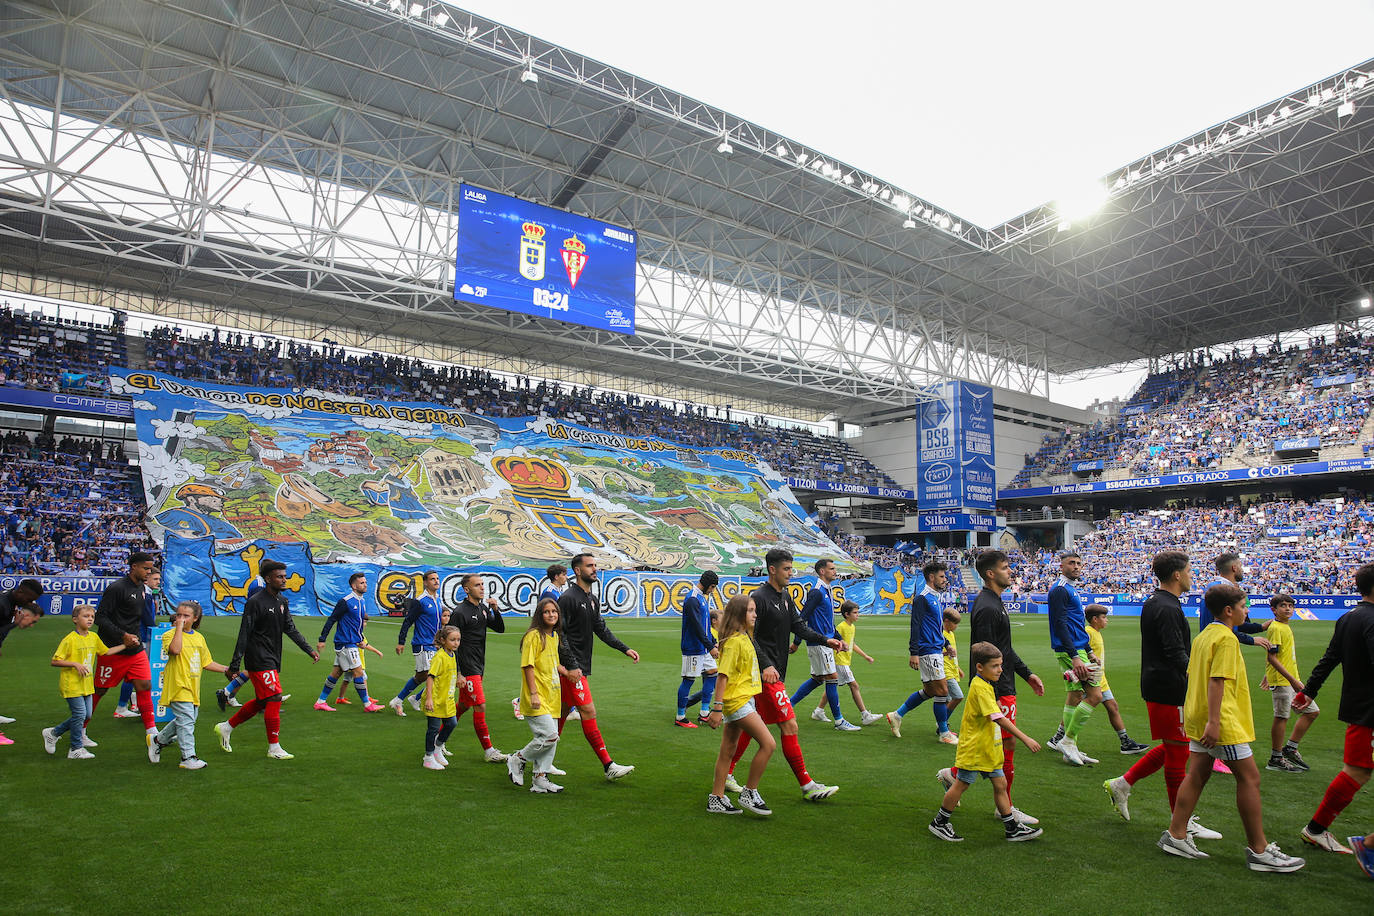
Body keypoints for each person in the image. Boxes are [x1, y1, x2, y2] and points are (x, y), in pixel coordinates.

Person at [1157, 583, 1305, 872]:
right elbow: (1217, 680)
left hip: (1199, 716)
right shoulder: (1225, 638)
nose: (1246, 611)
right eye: (1243, 606)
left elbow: (1195, 676)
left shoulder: (1204, 635)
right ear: (1229, 610)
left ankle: (1175, 834)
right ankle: (1260, 851)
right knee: (1250, 779)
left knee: (1197, 774)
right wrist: (1215, 722)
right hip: (1221, 720)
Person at [1103, 550, 1221, 842]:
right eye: (1190, 571)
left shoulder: (1159, 602)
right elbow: (1175, 653)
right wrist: (1200, 680)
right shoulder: (1167, 607)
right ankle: (1181, 822)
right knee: (1178, 753)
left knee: (1174, 747)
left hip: (1162, 685)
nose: (1193, 576)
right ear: (1177, 575)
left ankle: (1123, 783)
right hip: (1168, 688)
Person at [724, 547, 843, 801]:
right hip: (766, 675)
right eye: (787, 569)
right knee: (789, 724)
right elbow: (748, 636)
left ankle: (727, 774)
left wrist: (826, 640)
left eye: (792, 568)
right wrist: (766, 664)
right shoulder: (760, 597)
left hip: (774, 671)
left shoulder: (785, 596)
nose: (791, 573)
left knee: (749, 724)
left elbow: (798, 626)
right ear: (772, 570)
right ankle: (807, 785)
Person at [937, 550, 1044, 826]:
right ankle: (1004, 807)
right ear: (990, 573)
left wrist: (1027, 673)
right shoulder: (987, 607)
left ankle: (955, 774)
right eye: (1006, 568)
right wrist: (992, 693)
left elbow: (1004, 650)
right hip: (998, 687)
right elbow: (985, 655)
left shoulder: (994, 602)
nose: (1011, 572)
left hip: (1005, 681)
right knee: (1006, 742)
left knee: (996, 744)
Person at [1292, 562, 1374, 855]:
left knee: (1358, 770)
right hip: (1370, 709)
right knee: (1356, 771)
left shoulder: (1349, 617)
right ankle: (1325, 833)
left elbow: (1330, 658)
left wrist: (1308, 691)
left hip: (1358, 705)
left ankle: (1317, 830)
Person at [928, 641, 1043, 843]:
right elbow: (997, 717)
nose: (1000, 670)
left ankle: (1011, 828)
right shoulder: (979, 687)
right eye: (995, 666)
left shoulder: (986, 684)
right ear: (980, 667)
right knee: (961, 784)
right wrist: (1025, 738)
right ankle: (939, 822)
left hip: (988, 748)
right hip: (975, 748)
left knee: (1000, 783)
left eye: (1001, 665)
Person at [215, 559, 319, 759]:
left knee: (263, 701)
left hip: (272, 657)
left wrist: (309, 650)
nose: (284, 580)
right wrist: (235, 664)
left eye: (284, 576)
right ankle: (274, 748)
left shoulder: (282, 601)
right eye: (279, 577)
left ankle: (226, 727)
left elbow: (290, 628)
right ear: (268, 578)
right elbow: (244, 632)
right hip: (258, 658)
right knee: (274, 698)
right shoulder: (255, 602)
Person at [557, 553, 638, 781]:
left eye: (595, 565)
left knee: (561, 714)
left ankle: (531, 760)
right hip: (571, 668)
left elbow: (601, 629)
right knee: (588, 711)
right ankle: (608, 765)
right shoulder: (568, 598)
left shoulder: (591, 598)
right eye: (590, 566)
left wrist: (625, 649)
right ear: (577, 570)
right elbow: (559, 636)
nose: (594, 569)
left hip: (578, 666)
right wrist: (571, 666)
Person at [706, 594, 774, 816]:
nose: (755, 614)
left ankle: (716, 798)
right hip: (737, 701)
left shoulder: (744, 637)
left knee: (728, 750)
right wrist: (716, 709)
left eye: (755, 610)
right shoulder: (735, 642)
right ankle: (750, 792)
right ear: (739, 614)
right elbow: (722, 677)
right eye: (751, 611)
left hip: (744, 698)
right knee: (769, 744)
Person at [148, 600, 229, 770]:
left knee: (185, 720)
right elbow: (175, 650)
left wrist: (227, 670)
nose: (181, 619)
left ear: (195, 618)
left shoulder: (199, 638)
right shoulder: (170, 635)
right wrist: (178, 628)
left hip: (193, 686)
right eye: (179, 615)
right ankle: (188, 757)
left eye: (186, 616)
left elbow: (206, 662)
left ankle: (157, 740)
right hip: (177, 684)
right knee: (186, 722)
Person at [90, 552, 159, 746]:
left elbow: (138, 618)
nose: (148, 571)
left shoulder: (142, 589)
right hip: (114, 650)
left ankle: (152, 733)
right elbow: (100, 618)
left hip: (135, 650)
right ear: (134, 567)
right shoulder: (117, 588)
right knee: (100, 691)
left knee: (145, 685)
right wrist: (123, 636)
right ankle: (80, 729)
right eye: (146, 568)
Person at [1044, 551, 1103, 766]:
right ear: (1061, 566)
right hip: (1070, 651)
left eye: (1079, 563)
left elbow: (1076, 624)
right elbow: (1060, 623)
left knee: (1075, 695)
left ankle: (1070, 746)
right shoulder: (1060, 590)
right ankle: (1067, 741)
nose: (1076, 566)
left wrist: (1088, 651)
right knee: (1095, 696)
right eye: (1071, 563)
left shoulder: (1070, 588)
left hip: (1078, 649)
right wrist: (1075, 656)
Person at [888, 561, 956, 742]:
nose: (945, 579)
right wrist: (914, 652)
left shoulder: (934, 597)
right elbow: (915, 625)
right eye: (942, 576)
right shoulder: (922, 598)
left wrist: (947, 643)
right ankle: (944, 733)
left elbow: (936, 626)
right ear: (931, 577)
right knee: (942, 691)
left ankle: (897, 715)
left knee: (929, 691)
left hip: (935, 647)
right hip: (928, 651)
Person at [789, 559, 859, 731]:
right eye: (832, 568)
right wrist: (797, 642)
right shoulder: (817, 592)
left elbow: (828, 622)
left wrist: (839, 638)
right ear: (822, 571)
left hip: (825, 641)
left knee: (817, 679)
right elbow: (802, 618)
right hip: (819, 643)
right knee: (832, 678)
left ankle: (786, 708)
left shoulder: (826, 591)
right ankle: (839, 721)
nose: (835, 571)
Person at [41, 604, 118, 759]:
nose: (90, 619)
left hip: (87, 685)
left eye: (92, 617)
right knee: (80, 714)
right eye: (85, 616)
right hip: (72, 684)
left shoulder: (94, 637)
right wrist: (75, 664)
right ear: (75, 619)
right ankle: (75, 748)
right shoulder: (69, 640)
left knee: (86, 715)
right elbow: (55, 661)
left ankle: (53, 733)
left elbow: (106, 651)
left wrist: (126, 645)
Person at [507, 598, 567, 793]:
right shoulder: (534, 635)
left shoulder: (554, 636)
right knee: (550, 736)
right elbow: (528, 665)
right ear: (539, 615)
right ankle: (518, 759)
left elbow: (553, 663)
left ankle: (540, 779)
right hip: (537, 696)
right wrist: (533, 694)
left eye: (554, 611)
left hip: (552, 695)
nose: (551, 615)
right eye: (546, 612)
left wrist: (567, 672)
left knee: (551, 738)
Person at [450, 573, 508, 763]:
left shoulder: (482, 608)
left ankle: (438, 740)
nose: (482, 588)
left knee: (464, 706)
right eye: (477, 585)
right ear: (467, 590)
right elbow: (451, 645)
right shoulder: (459, 613)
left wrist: (495, 609)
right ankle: (489, 750)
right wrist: (458, 672)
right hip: (467, 667)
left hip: (479, 663)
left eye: (483, 584)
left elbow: (499, 628)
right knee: (480, 705)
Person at [1260, 594, 1318, 773]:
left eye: (1290, 605)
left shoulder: (1283, 627)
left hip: (1290, 679)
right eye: (1283, 605)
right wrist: (1291, 680)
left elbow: (1276, 657)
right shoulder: (1276, 628)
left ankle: (1290, 748)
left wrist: (1267, 673)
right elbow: (1272, 655)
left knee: (1312, 711)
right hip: (1285, 681)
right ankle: (1276, 758)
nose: (1288, 608)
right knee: (1282, 716)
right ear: (1273, 609)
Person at [314, 573, 384, 713]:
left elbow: (355, 625)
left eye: (365, 582)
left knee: (336, 673)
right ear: (354, 586)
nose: (365, 585)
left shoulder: (361, 601)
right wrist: (322, 639)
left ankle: (320, 702)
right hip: (345, 643)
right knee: (358, 672)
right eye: (361, 583)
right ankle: (367, 705)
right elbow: (332, 619)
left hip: (351, 642)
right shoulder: (346, 601)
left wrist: (360, 641)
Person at [1084, 606, 1149, 754]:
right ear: (1095, 619)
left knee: (1113, 706)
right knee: (1076, 708)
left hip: (1100, 679)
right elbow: (1079, 649)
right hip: (1090, 679)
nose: (1107, 620)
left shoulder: (1096, 633)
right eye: (1104, 617)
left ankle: (1126, 742)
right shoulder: (1088, 632)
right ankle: (1061, 737)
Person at [816, 601, 879, 725]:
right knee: (854, 686)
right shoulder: (841, 627)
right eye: (855, 613)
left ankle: (818, 710)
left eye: (857, 612)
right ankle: (865, 715)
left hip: (844, 662)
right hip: (840, 662)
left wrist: (865, 656)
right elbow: (834, 642)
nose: (857, 615)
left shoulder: (852, 627)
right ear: (847, 614)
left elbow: (851, 644)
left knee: (831, 687)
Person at [390, 571, 443, 716]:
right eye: (433, 579)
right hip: (422, 644)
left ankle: (407, 699)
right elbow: (408, 621)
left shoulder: (437, 600)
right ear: (425, 582)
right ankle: (413, 699)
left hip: (434, 644)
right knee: (433, 676)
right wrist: (401, 642)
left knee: (421, 676)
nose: (436, 581)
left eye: (437, 578)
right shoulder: (420, 601)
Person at [0, 577, 43, 741]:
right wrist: (14, 624)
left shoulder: (10, 600)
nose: (29, 602)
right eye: (29, 599)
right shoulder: (3, 604)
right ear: (20, 592)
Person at [115, 567, 160, 718]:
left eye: (159, 579)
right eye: (155, 579)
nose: (158, 582)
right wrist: (157, 629)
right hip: (140, 638)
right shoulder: (144, 594)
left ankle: (132, 699)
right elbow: (147, 619)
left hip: (141, 636)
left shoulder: (147, 594)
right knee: (135, 673)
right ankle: (122, 706)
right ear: (146, 579)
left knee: (138, 673)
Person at [676, 570, 719, 728]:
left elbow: (705, 625)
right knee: (689, 680)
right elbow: (696, 626)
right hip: (692, 647)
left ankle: (704, 713)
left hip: (703, 647)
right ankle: (680, 716)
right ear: (708, 584)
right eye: (712, 587)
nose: (712, 590)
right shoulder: (693, 599)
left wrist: (713, 641)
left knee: (712, 673)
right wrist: (710, 646)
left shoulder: (701, 597)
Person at [421, 626, 463, 771]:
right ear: (443, 640)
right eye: (452, 640)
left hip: (448, 699)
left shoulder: (452, 654)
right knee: (433, 728)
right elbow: (431, 677)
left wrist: (458, 678)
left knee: (452, 723)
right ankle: (428, 757)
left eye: (458, 640)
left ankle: (437, 748)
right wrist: (429, 699)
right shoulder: (439, 657)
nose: (456, 643)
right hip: (436, 699)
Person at [940, 609, 965, 718]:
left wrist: (958, 668)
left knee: (947, 699)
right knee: (958, 696)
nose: (956, 626)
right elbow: (935, 653)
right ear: (946, 621)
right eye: (954, 623)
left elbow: (953, 655)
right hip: (944, 671)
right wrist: (945, 653)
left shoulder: (951, 634)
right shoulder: (940, 634)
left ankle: (942, 726)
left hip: (952, 670)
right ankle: (942, 723)